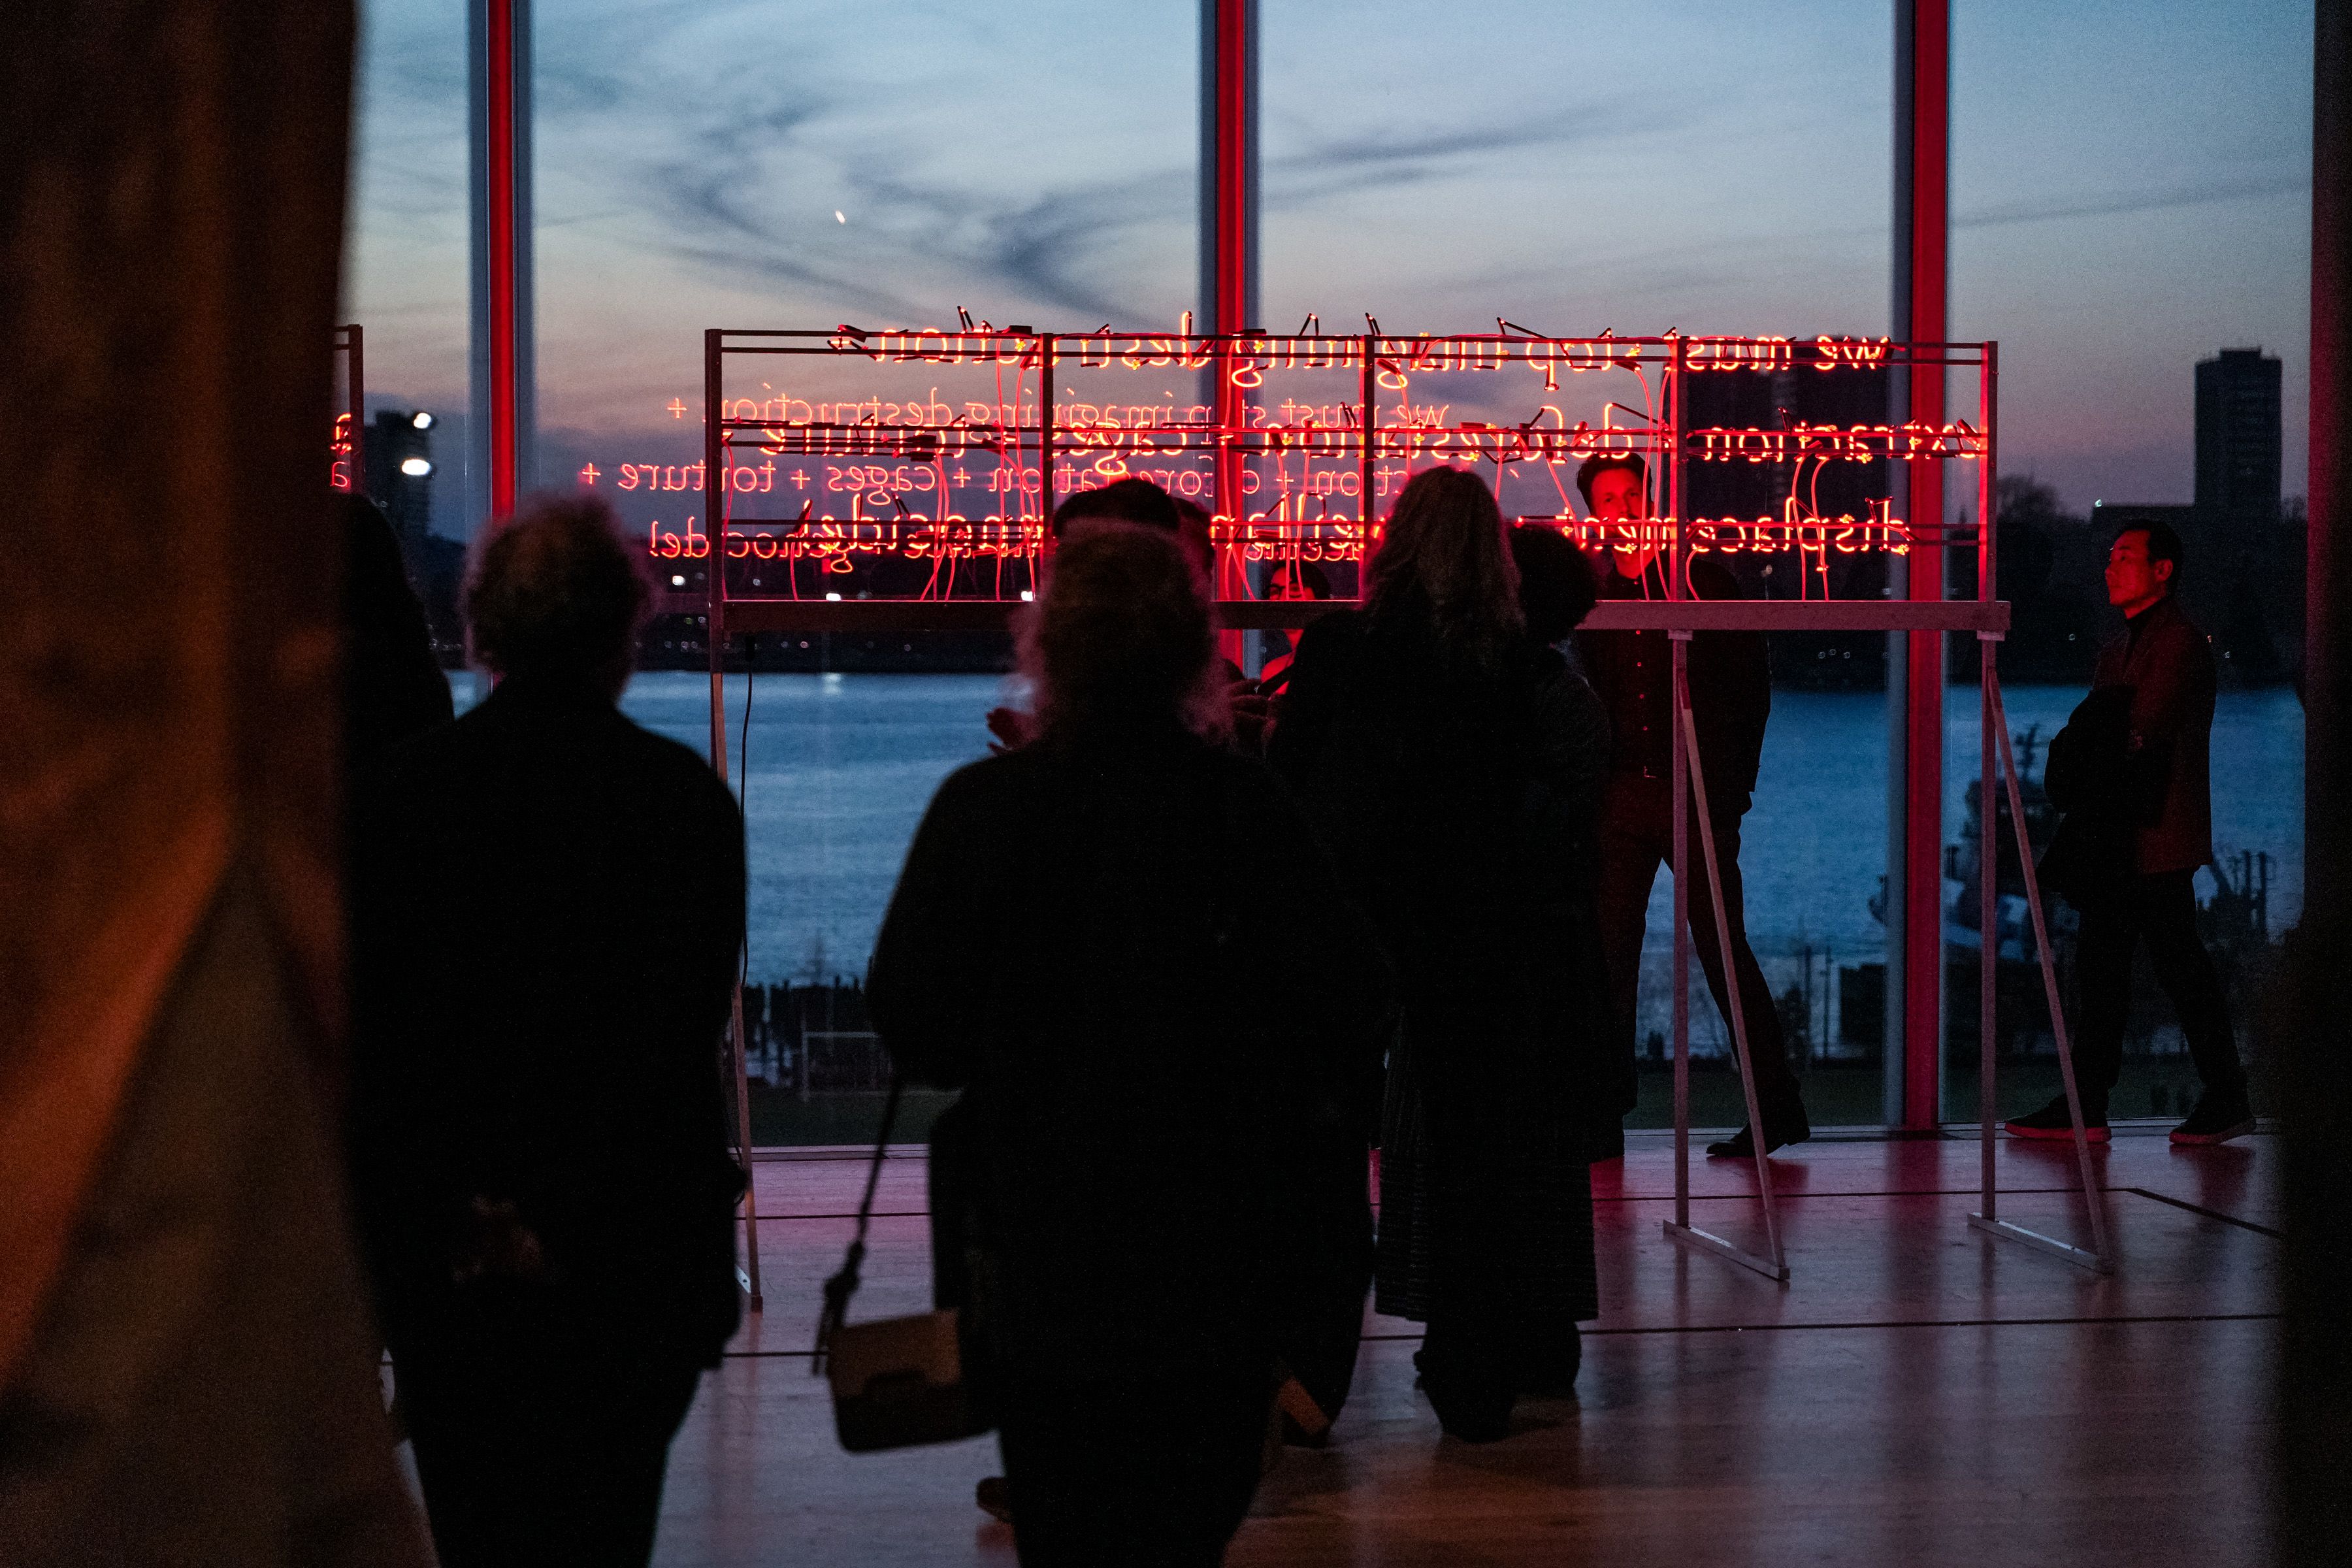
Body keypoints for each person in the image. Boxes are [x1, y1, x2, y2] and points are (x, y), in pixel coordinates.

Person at [870, 522, 1391, 1566]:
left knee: (1065, 1511)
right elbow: (1350, 1002)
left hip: (1040, 1225)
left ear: (1046, 648)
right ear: (1194, 649)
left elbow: (913, 1018)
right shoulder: (1240, 804)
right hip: (1215, 1227)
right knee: (1189, 1513)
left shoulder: (987, 807)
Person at [347, 495, 747, 1568]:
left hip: (450, 1253)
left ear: (483, 632)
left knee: (481, 1521)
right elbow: (678, 1034)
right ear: (626, 630)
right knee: (609, 1524)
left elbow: (379, 1044)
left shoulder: (398, 799)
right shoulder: (683, 805)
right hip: (626, 1249)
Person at [1271, 467, 1602, 1443]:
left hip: (1355, 924)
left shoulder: (1340, 650)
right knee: (1474, 1160)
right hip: (1476, 931)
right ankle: (1474, 1377)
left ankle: (1313, 1381)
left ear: (1394, 543)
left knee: (1329, 1157)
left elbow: (1295, 793)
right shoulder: (1514, 665)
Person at [1573, 452, 1808, 1160]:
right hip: (1625, 795)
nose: (1620, 509)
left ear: (1653, 499)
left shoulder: (1703, 581)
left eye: (1630, 494)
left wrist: (1731, 790)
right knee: (1609, 955)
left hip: (1698, 793)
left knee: (1721, 949)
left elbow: (1749, 690)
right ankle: (1602, 1115)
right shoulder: (1598, 596)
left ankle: (1775, 1109)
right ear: (1595, 514)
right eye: (1607, 500)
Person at [2006, 520, 2254, 1145]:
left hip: (2156, 835)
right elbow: (2111, 732)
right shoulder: (2121, 649)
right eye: (2111, 557)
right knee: (2112, 968)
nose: (2110, 568)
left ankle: (2217, 1097)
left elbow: (2128, 728)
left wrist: (2101, 738)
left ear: (2162, 569)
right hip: (2121, 835)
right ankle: (2097, 1099)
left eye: (2124, 557)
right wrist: (2104, 736)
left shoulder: (2177, 644)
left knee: (2172, 967)